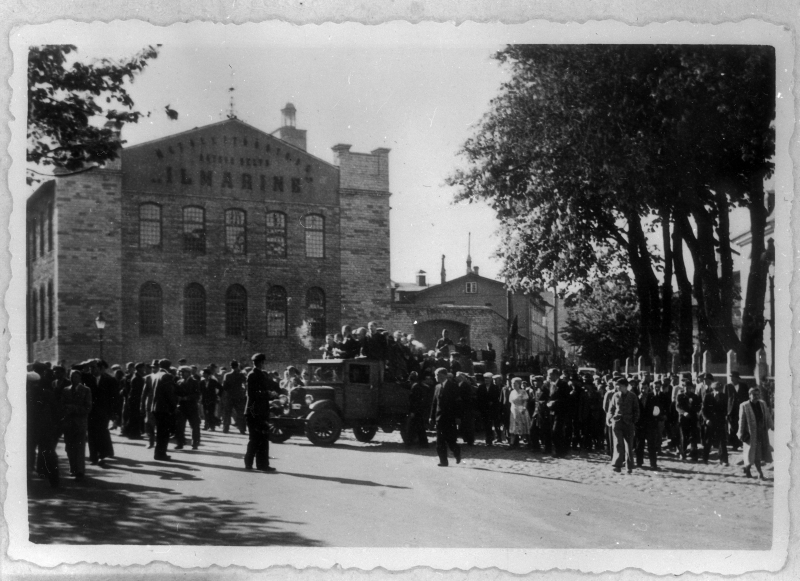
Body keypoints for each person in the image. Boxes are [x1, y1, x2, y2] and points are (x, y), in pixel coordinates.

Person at [244, 353, 278, 471]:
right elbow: (252, 393)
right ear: (261, 362)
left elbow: (262, 390)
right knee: (255, 438)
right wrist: (267, 394)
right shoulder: (252, 375)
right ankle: (249, 463)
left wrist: (269, 394)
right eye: (263, 362)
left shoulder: (260, 374)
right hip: (254, 411)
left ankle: (262, 464)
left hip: (260, 410)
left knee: (263, 438)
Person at [27, 370, 60, 487]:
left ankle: (26, 479)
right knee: (49, 454)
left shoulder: (24, 394)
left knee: (28, 454)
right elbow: (56, 412)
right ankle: (54, 480)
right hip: (46, 429)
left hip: (30, 430)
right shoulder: (48, 393)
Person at [60, 369, 92, 479]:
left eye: (77, 377)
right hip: (68, 422)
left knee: (79, 447)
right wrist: (66, 410)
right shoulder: (65, 390)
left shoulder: (86, 390)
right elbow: (62, 404)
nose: (74, 379)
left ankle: (79, 471)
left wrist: (74, 408)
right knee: (69, 447)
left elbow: (88, 407)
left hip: (80, 422)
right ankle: (72, 468)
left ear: (80, 378)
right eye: (72, 376)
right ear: (70, 377)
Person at [738, 387, 773, 479]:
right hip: (750, 433)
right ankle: (751, 470)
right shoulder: (744, 405)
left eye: (758, 395)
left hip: (761, 432)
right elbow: (741, 421)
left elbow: (767, 416)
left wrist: (771, 425)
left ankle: (756, 472)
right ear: (749, 395)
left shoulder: (762, 404)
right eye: (754, 395)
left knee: (757, 453)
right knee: (750, 453)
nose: (756, 397)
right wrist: (740, 433)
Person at [429, 367, 462, 467]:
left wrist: (458, 417)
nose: (436, 377)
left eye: (437, 375)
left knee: (451, 440)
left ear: (443, 375)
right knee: (440, 441)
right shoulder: (437, 387)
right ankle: (443, 461)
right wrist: (431, 417)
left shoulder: (453, 386)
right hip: (440, 418)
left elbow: (458, 403)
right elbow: (434, 403)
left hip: (450, 418)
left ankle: (456, 452)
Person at [607, 377, 639, 473]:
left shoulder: (633, 396)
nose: (618, 387)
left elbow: (637, 410)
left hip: (629, 423)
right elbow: (611, 408)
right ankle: (617, 465)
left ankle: (629, 466)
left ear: (626, 386)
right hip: (617, 423)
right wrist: (611, 418)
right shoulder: (615, 395)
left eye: (620, 385)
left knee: (629, 445)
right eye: (617, 385)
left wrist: (634, 420)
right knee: (618, 444)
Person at [87, 360, 115, 465]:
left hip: (104, 413)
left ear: (100, 368)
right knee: (91, 434)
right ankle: (93, 457)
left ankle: (102, 456)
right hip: (90, 412)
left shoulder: (110, 380)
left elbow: (114, 398)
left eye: (94, 368)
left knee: (102, 433)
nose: (91, 370)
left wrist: (114, 414)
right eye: (90, 368)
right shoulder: (87, 379)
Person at [151, 359, 177, 461]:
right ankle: (161, 454)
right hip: (164, 408)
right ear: (169, 367)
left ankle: (158, 453)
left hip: (156, 407)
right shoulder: (167, 376)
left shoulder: (156, 375)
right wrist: (173, 406)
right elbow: (169, 393)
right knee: (164, 433)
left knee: (160, 432)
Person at [701, 381, 729, 465]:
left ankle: (724, 460)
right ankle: (705, 458)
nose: (718, 391)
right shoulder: (707, 396)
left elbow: (725, 409)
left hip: (720, 421)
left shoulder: (723, 396)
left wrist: (725, 417)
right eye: (716, 389)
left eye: (720, 389)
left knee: (722, 441)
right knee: (708, 440)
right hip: (710, 421)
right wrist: (706, 419)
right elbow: (703, 410)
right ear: (713, 389)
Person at [635, 380, 660, 470]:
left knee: (651, 446)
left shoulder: (653, 398)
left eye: (645, 388)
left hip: (650, 426)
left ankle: (653, 464)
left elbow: (657, 412)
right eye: (641, 388)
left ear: (648, 388)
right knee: (639, 445)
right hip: (640, 426)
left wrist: (654, 423)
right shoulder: (636, 398)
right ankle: (639, 462)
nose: (643, 390)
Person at [175, 366, 202, 450]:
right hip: (181, 407)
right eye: (180, 372)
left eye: (183, 372)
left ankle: (195, 443)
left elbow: (197, 395)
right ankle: (180, 443)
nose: (181, 374)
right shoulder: (179, 382)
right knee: (180, 426)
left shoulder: (195, 382)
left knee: (194, 426)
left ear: (188, 373)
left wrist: (186, 398)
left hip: (192, 407)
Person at [676, 375, 701, 461]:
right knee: (684, 436)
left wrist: (693, 411)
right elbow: (678, 407)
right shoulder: (680, 396)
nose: (687, 389)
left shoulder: (695, 396)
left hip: (693, 419)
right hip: (683, 419)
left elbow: (698, 407)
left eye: (689, 387)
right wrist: (684, 412)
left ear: (691, 388)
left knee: (693, 436)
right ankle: (682, 453)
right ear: (683, 387)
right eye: (685, 387)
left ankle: (694, 454)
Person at [546, 368, 571, 457]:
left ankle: (561, 451)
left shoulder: (563, 384)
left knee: (556, 431)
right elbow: (551, 396)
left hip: (561, 411)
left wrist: (555, 402)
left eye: (549, 375)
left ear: (555, 375)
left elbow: (567, 399)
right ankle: (559, 450)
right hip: (553, 411)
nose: (548, 376)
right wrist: (549, 402)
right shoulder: (551, 384)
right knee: (555, 431)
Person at [221, 361, 247, 434]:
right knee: (240, 413)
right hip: (239, 396)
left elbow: (224, 386)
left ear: (230, 366)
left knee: (227, 413)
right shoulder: (241, 375)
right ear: (237, 366)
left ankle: (225, 428)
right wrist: (243, 392)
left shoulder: (227, 375)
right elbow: (245, 384)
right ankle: (242, 429)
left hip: (229, 396)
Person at [475, 372, 501, 446]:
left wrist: (492, 402)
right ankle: (488, 440)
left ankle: (496, 437)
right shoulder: (481, 387)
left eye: (488, 379)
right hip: (484, 409)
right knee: (487, 425)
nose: (486, 380)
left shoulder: (495, 387)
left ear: (491, 379)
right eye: (485, 379)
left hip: (493, 409)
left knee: (495, 424)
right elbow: (479, 398)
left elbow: (497, 397)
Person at [727, 370, 749, 451]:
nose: (732, 379)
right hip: (731, 411)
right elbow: (726, 399)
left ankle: (742, 442)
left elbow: (747, 397)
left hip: (741, 409)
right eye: (731, 378)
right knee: (733, 427)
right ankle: (734, 444)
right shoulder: (728, 386)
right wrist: (726, 412)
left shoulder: (744, 386)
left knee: (742, 425)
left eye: (733, 378)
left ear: (737, 379)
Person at [122, 362, 145, 439]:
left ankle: (132, 433)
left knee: (134, 417)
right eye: (143, 368)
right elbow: (136, 391)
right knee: (134, 417)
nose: (144, 370)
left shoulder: (137, 376)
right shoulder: (136, 378)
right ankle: (132, 433)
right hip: (135, 400)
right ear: (139, 369)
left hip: (134, 400)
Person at [405, 371, 429, 448]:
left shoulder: (416, 388)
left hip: (416, 412)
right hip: (418, 411)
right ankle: (423, 443)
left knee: (414, 428)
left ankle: (411, 444)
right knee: (419, 428)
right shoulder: (416, 387)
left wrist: (413, 412)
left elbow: (415, 402)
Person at [507, 378, 531, 448]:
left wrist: (524, 408)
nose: (513, 385)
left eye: (514, 383)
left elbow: (525, 401)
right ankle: (512, 444)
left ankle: (529, 442)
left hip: (521, 410)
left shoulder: (523, 392)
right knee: (513, 426)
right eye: (512, 383)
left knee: (524, 426)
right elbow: (511, 402)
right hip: (514, 411)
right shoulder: (512, 392)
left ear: (519, 384)